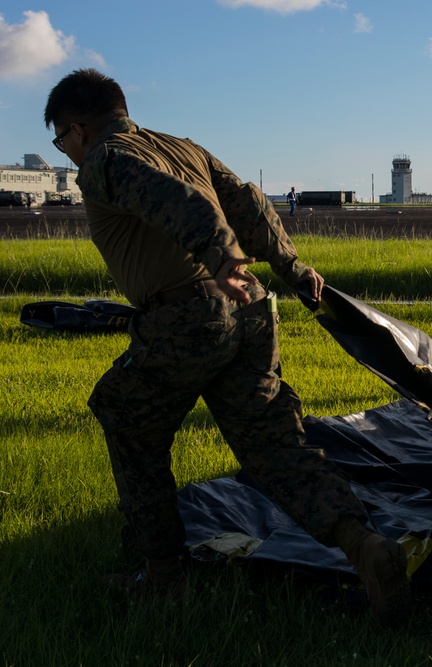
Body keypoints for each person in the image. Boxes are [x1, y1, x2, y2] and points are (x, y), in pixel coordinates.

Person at [43, 69, 410, 625]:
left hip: (189, 314)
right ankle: (364, 546)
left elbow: (178, 201)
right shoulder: (181, 146)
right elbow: (249, 203)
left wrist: (219, 258)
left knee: (122, 412)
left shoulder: (106, 158)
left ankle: (164, 581)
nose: (66, 155)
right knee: (273, 443)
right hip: (253, 311)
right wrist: (289, 265)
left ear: (78, 129)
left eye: (60, 141)